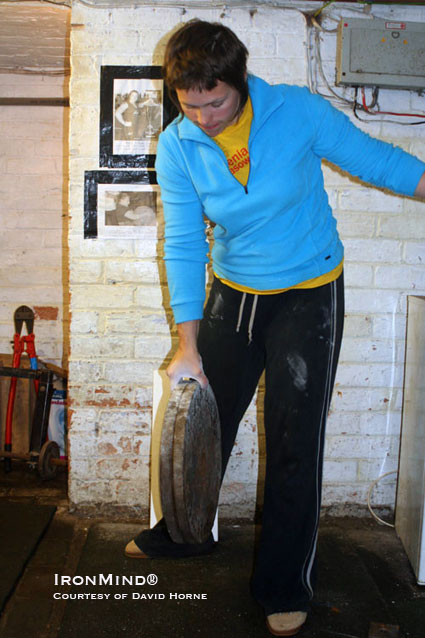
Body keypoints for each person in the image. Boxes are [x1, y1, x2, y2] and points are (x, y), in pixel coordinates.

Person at [125, 20, 425, 636]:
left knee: (294, 440)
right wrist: (187, 347)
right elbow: (182, 241)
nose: (205, 117)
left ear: (241, 84)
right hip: (234, 292)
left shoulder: (296, 111)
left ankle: (284, 584)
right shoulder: (179, 145)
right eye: (191, 105)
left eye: (217, 103)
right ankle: (184, 535)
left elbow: (380, 162)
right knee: (197, 422)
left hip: (309, 291)